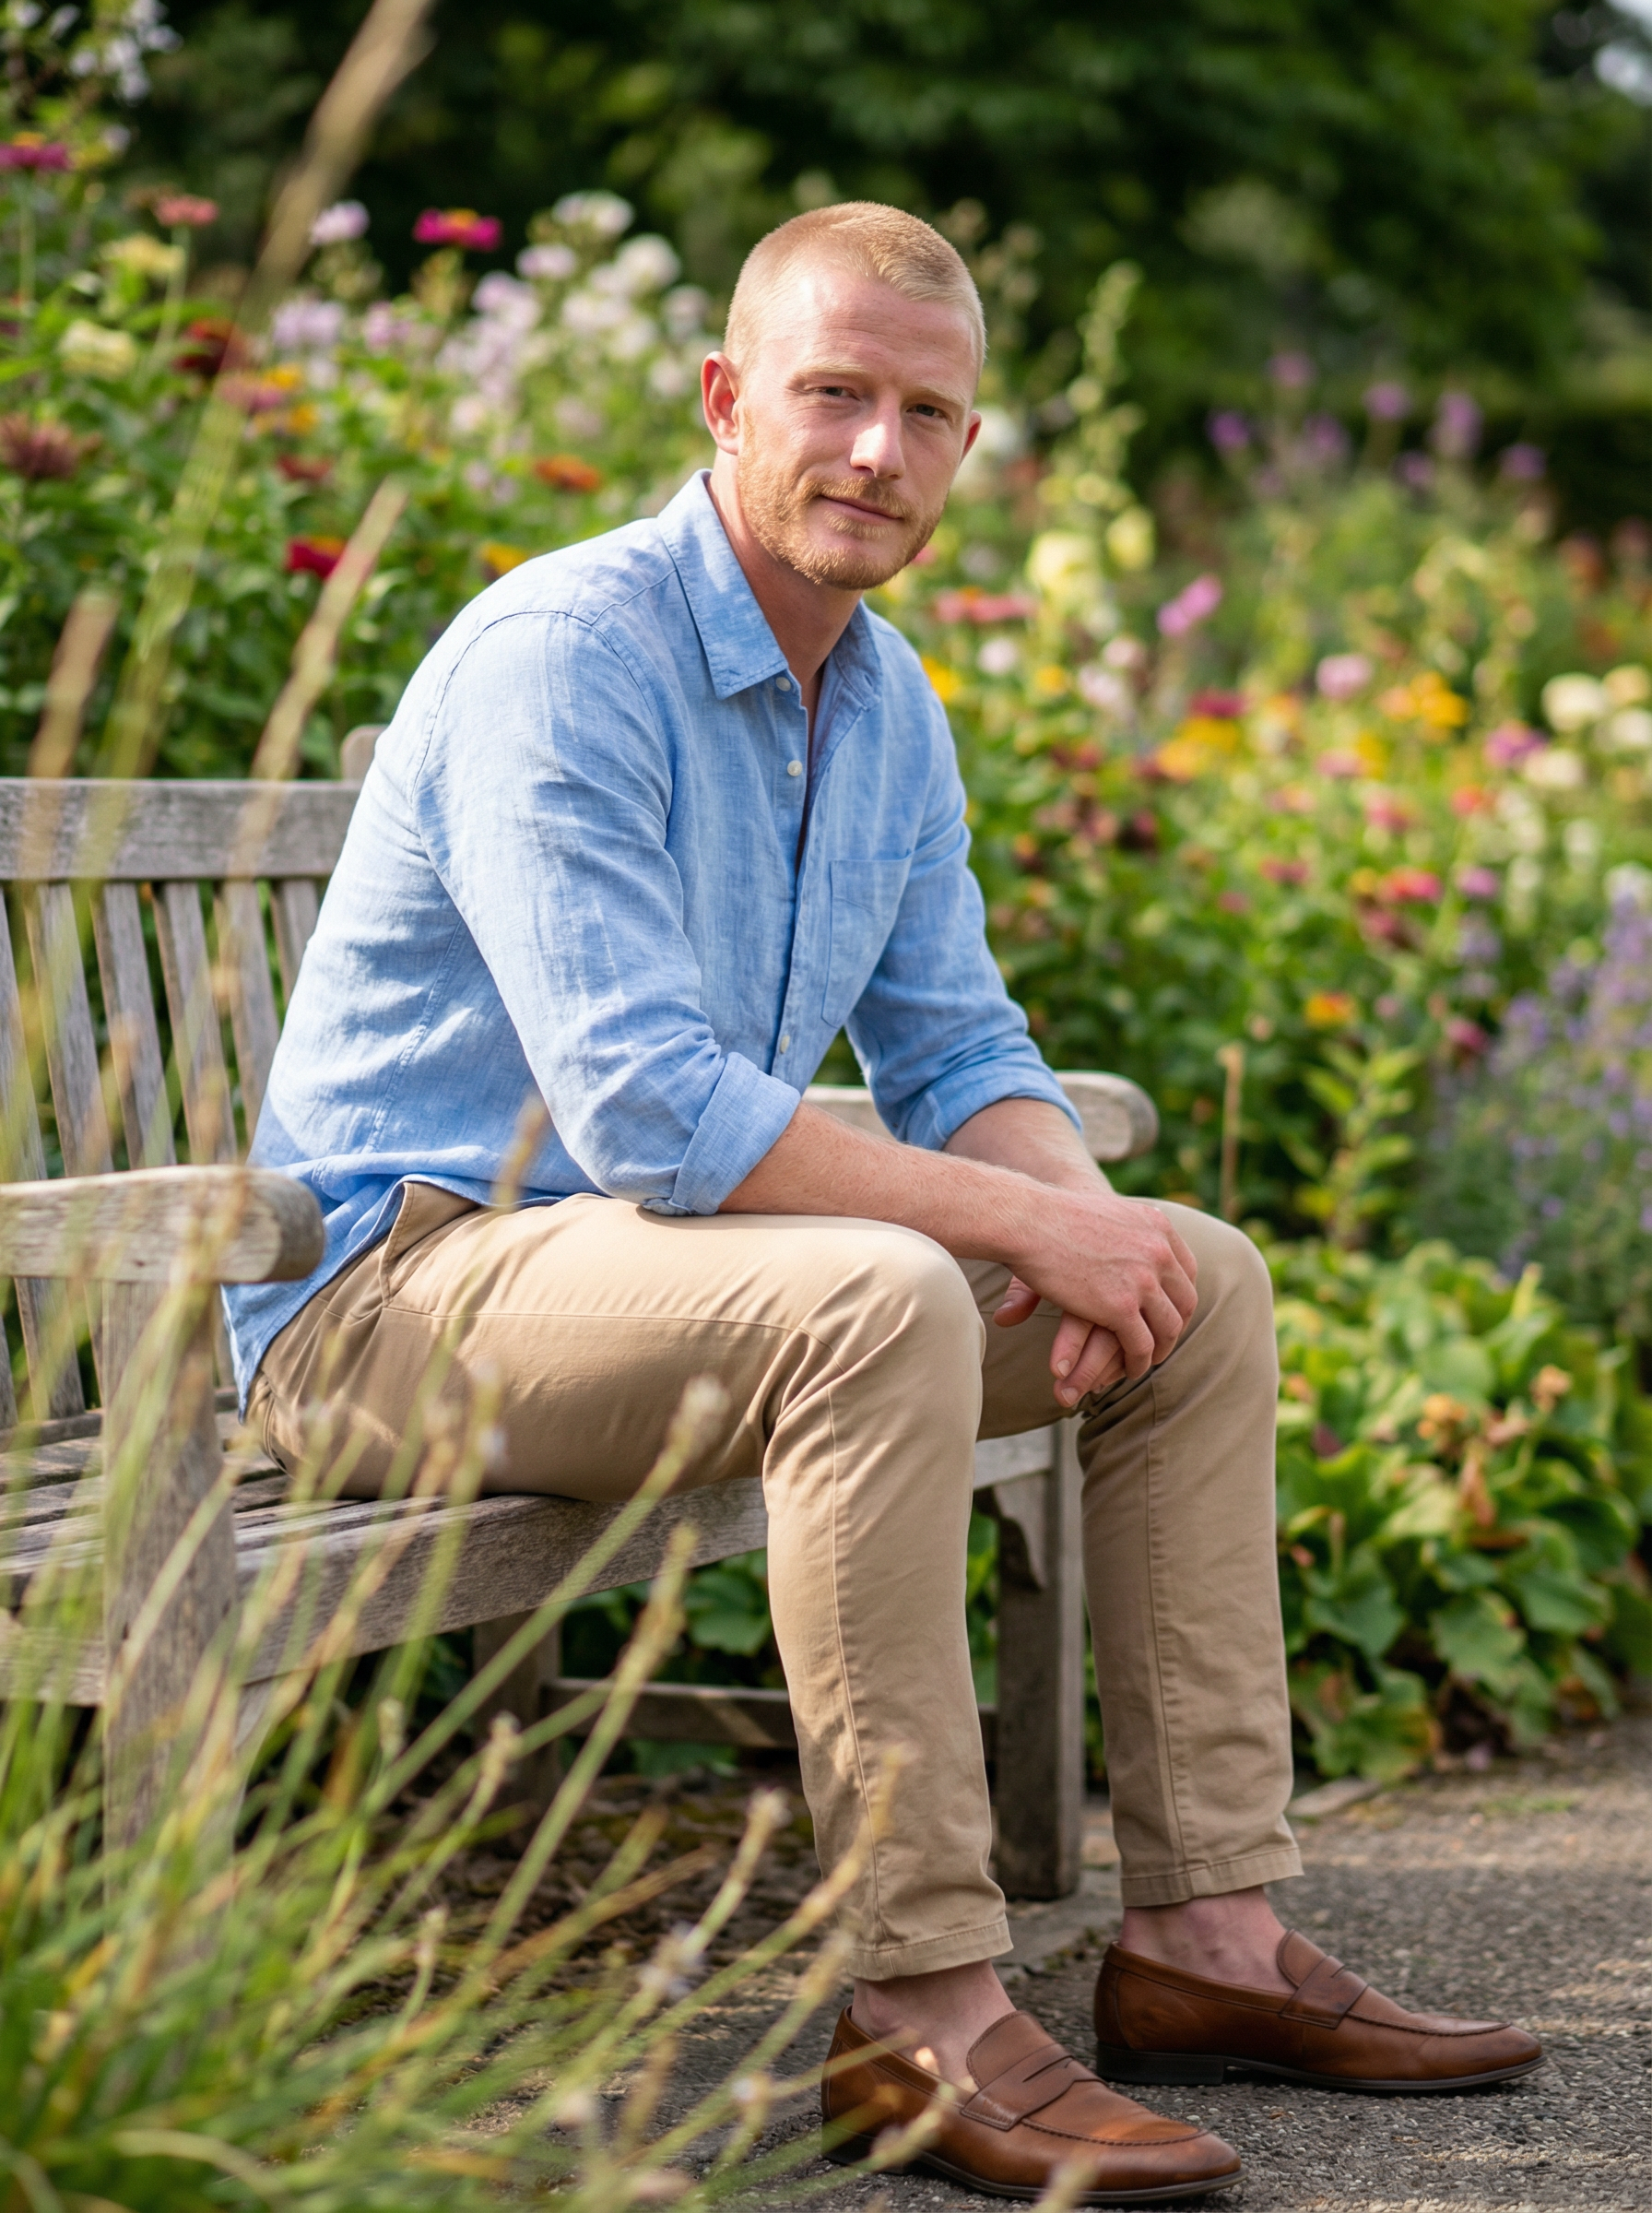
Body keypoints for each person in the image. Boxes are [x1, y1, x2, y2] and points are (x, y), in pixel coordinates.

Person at [230, 203, 1541, 2204]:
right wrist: (1007, 1229)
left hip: (660, 1288)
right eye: (833, 395)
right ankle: (917, 2005)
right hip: (392, 1297)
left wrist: (1082, 1228)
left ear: (965, 446)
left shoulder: (887, 698)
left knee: (1198, 1274)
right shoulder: (563, 655)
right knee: (873, 1294)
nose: (876, 451)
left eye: (927, 414)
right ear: (724, 397)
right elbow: (649, 1105)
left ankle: (1202, 1938)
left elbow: (962, 1054)